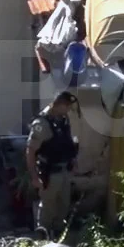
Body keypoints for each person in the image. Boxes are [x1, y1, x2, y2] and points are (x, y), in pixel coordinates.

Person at [25, 91, 80, 236]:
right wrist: (34, 177)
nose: (68, 110)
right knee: (47, 208)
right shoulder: (42, 123)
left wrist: (73, 161)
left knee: (63, 206)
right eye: (67, 106)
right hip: (50, 174)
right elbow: (30, 151)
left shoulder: (63, 120)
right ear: (58, 105)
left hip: (65, 171)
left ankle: (57, 237)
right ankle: (42, 238)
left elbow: (67, 143)